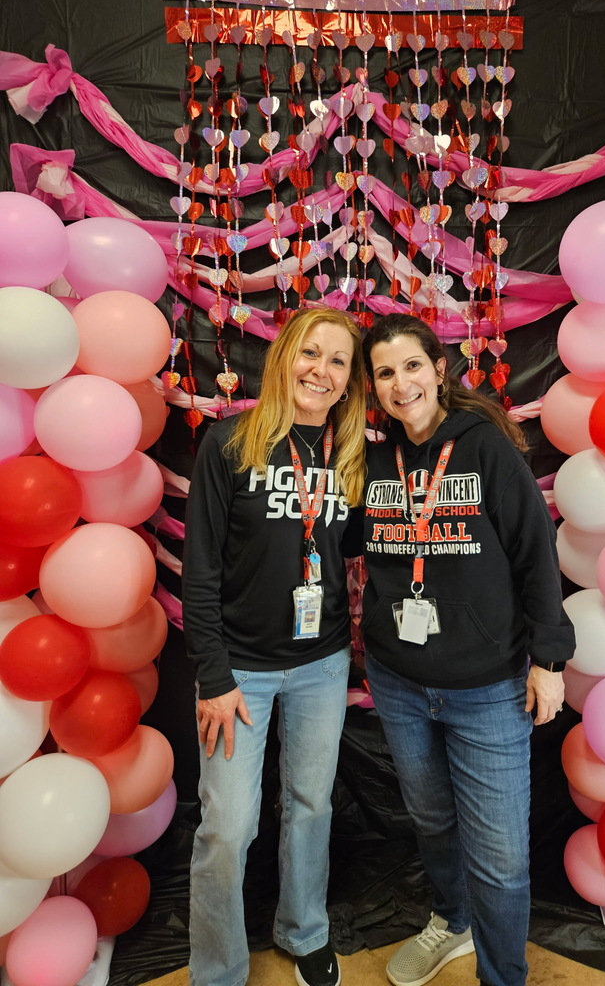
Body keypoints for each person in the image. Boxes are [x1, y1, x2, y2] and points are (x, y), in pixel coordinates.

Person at [360, 313, 575, 986]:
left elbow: (536, 557)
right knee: (429, 818)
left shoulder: (483, 448)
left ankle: (500, 976)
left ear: (438, 369)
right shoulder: (370, 458)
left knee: (502, 857)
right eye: (386, 373)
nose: (401, 384)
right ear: (373, 386)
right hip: (398, 679)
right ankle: (450, 919)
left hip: (488, 686)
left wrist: (549, 659)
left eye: (412, 366)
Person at [182, 307, 367, 986]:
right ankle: (219, 971)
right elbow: (198, 571)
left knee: (311, 804)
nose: (321, 370)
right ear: (285, 356)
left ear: (349, 381)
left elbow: (348, 546)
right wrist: (214, 676)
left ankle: (302, 931)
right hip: (240, 675)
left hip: (321, 664)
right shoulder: (229, 445)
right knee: (227, 830)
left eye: (338, 360)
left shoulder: (350, 455)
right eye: (310, 353)